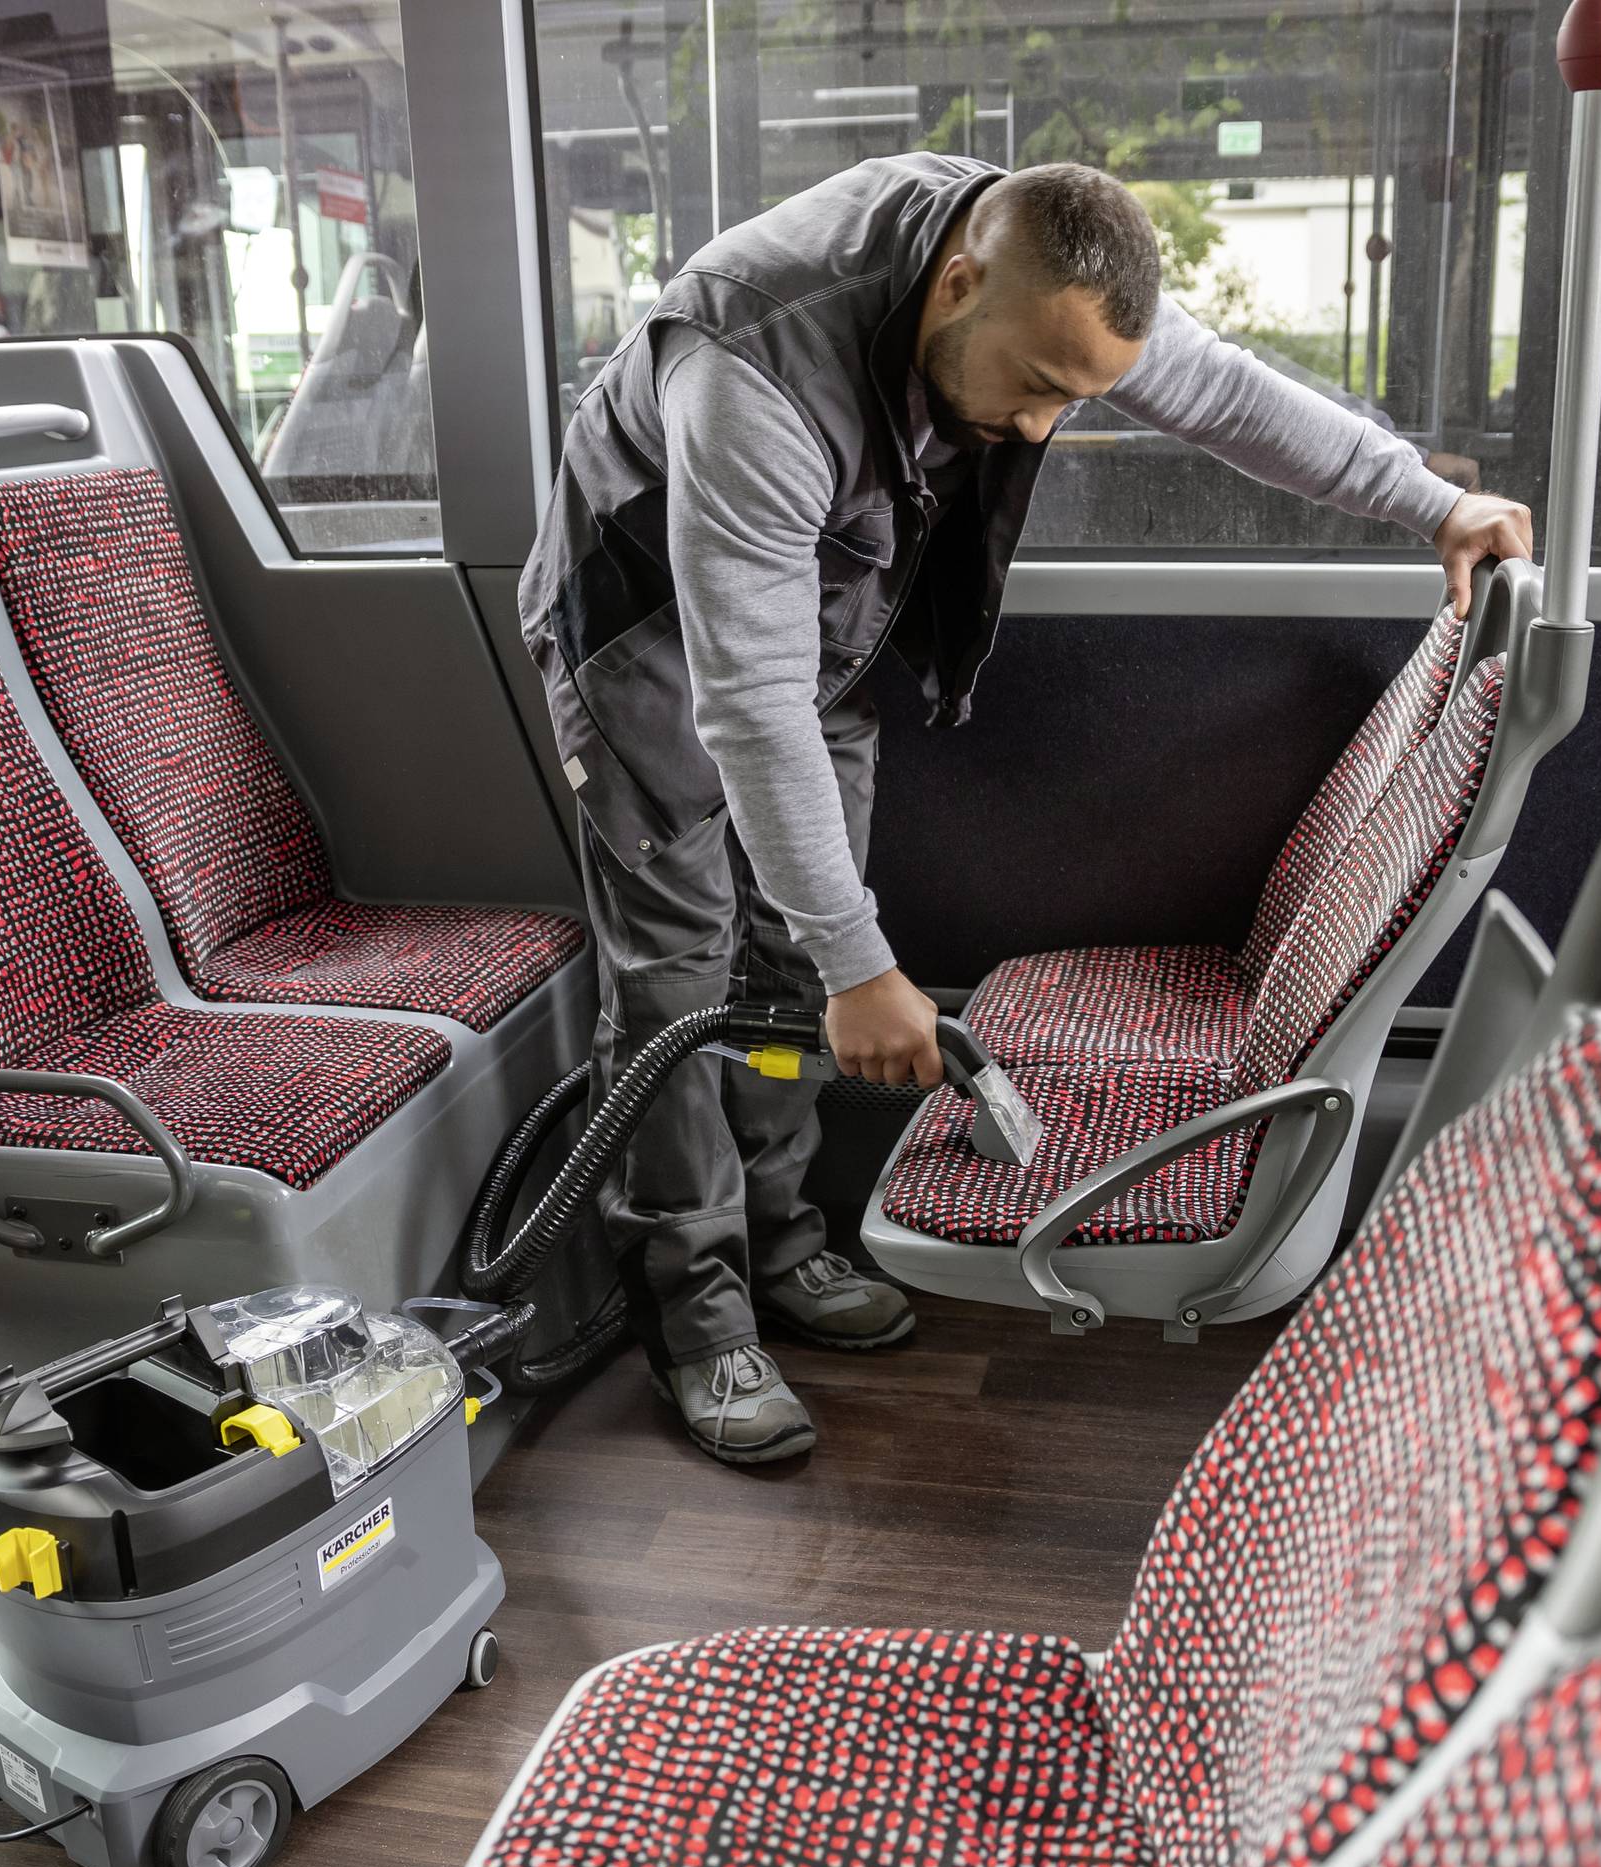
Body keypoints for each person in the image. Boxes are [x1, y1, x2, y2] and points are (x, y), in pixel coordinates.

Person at [519, 155, 1533, 1464]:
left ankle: (780, 1247)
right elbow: (747, 706)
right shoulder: (751, 377)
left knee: (779, 969)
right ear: (955, 284)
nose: (1050, 429)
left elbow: (1223, 395)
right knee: (679, 979)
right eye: (1043, 390)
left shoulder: (1048, 270)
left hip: (818, 619)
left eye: (1084, 395)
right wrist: (864, 961)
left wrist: (1432, 500)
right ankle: (698, 1322)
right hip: (650, 642)